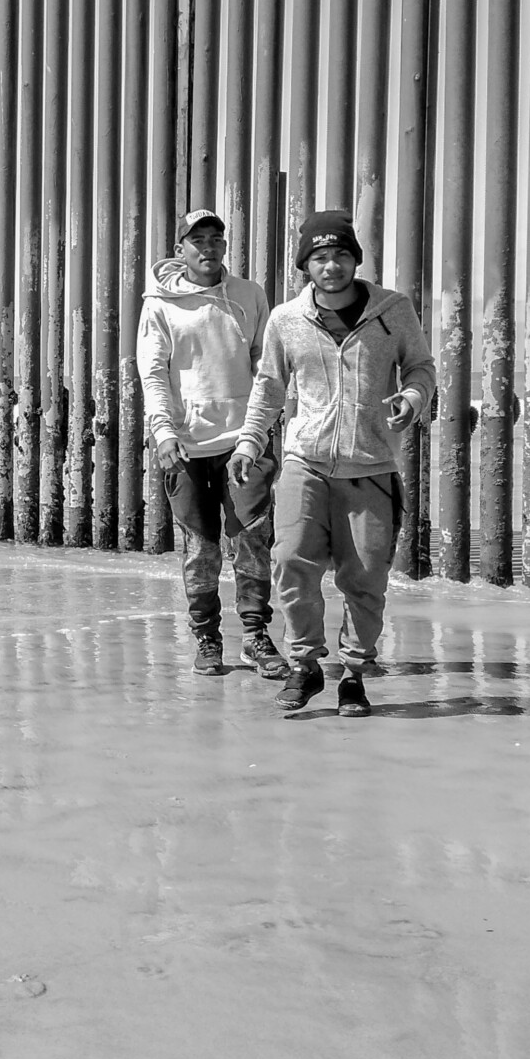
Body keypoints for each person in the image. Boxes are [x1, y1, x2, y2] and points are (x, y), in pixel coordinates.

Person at [228, 209, 436, 717]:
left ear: (355, 259)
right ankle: (305, 666)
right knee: (290, 561)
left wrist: (412, 396)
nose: (332, 265)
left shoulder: (393, 309)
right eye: (320, 256)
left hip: (370, 465)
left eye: (341, 254)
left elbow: (421, 366)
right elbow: (269, 388)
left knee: (364, 578)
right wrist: (249, 443)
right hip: (307, 460)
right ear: (306, 265)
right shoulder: (285, 320)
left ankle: (355, 676)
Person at [139, 209, 288, 679]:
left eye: (216, 239)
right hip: (183, 446)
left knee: (252, 540)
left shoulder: (248, 295)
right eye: (197, 240)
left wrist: (256, 433)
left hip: (245, 442)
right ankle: (205, 636)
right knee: (201, 548)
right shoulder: (159, 304)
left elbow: (267, 366)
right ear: (180, 249)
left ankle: (256, 635)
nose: (208, 247)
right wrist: (163, 433)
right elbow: (153, 373)